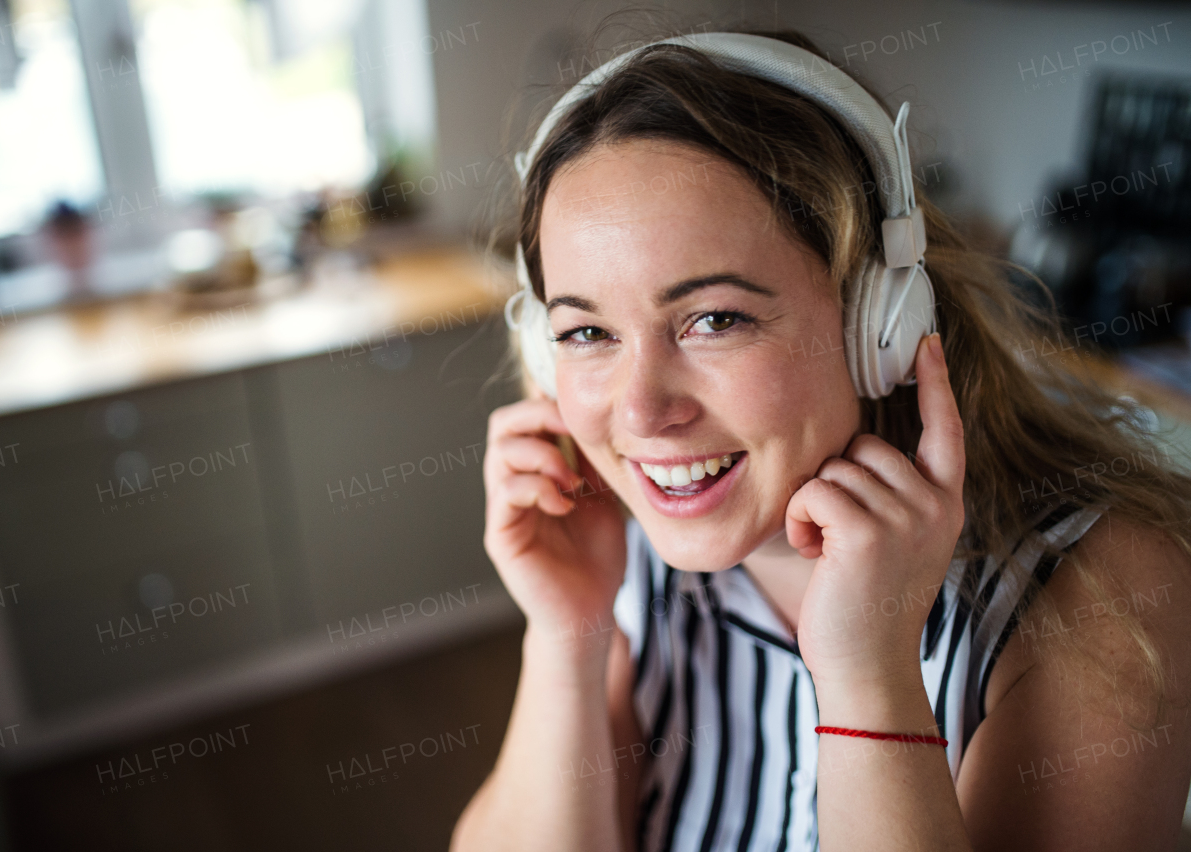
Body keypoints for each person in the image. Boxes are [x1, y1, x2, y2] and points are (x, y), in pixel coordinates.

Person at [451, 27, 1191, 852]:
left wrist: (870, 678)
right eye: (587, 333)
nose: (639, 414)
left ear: (879, 320)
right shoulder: (646, 555)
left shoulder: (1101, 591)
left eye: (714, 319)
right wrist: (566, 634)